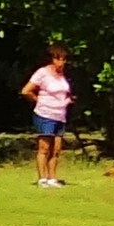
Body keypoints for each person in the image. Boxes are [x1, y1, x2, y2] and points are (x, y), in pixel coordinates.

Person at [22, 46, 77, 186]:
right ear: (52, 59)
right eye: (58, 59)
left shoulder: (63, 75)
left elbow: (64, 92)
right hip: (45, 114)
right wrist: (39, 101)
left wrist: (68, 100)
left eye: (64, 59)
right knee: (44, 148)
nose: (61, 62)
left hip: (60, 115)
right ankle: (42, 179)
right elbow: (26, 91)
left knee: (56, 149)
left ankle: (52, 178)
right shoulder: (42, 73)